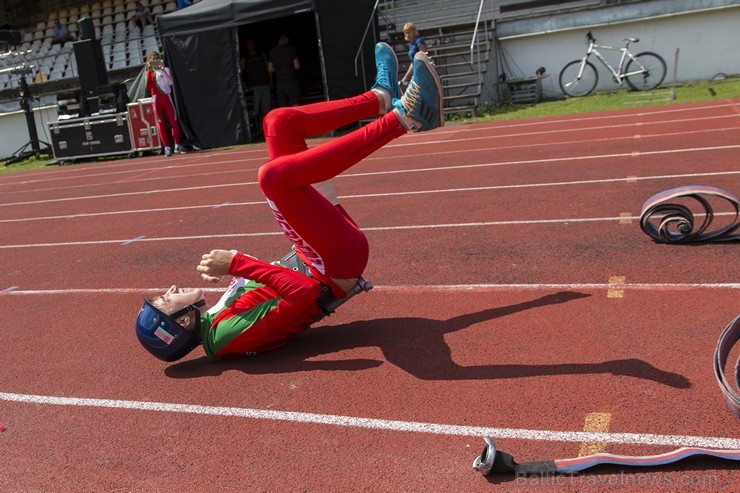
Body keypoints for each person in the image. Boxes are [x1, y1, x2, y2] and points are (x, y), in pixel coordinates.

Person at [135, 43, 445, 363]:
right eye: (163, 300)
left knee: (278, 123)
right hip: (334, 266)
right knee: (272, 178)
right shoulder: (225, 336)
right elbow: (305, 293)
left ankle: (379, 98)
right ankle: (406, 117)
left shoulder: (216, 319)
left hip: (314, 254)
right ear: (181, 321)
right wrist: (235, 263)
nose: (169, 289)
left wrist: (237, 274)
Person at [145, 51, 184, 156]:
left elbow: (171, 82)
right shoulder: (149, 73)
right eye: (152, 59)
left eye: (156, 59)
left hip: (167, 97)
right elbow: (147, 86)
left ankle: (177, 144)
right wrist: (149, 71)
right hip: (156, 99)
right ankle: (166, 147)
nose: (155, 61)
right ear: (149, 61)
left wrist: (163, 71)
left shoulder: (165, 69)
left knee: (173, 121)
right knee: (160, 123)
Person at [240, 38, 272, 134]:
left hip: (265, 84)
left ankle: (266, 129)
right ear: (246, 46)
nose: (251, 46)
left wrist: (271, 81)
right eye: (249, 44)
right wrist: (244, 85)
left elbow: (268, 68)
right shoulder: (245, 58)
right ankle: (256, 130)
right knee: (255, 110)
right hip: (253, 87)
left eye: (252, 43)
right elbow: (240, 72)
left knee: (266, 109)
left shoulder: (261, 55)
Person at [268, 34, 301, 107]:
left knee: (283, 106)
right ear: (286, 40)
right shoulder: (291, 49)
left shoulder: (272, 51)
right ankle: (295, 118)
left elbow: (270, 69)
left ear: (279, 41)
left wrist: (277, 69)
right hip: (291, 81)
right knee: (295, 103)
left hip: (279, 82)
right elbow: (297, 66)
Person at [400, 22, 427, 86]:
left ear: (414, 31)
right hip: (417, 72)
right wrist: (405, 78)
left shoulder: (419, 41)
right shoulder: (411, 44)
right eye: (406, 33)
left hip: (423, 72)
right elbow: (413, 63)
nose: (407, 35)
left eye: (409, 32)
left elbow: (424, 56)